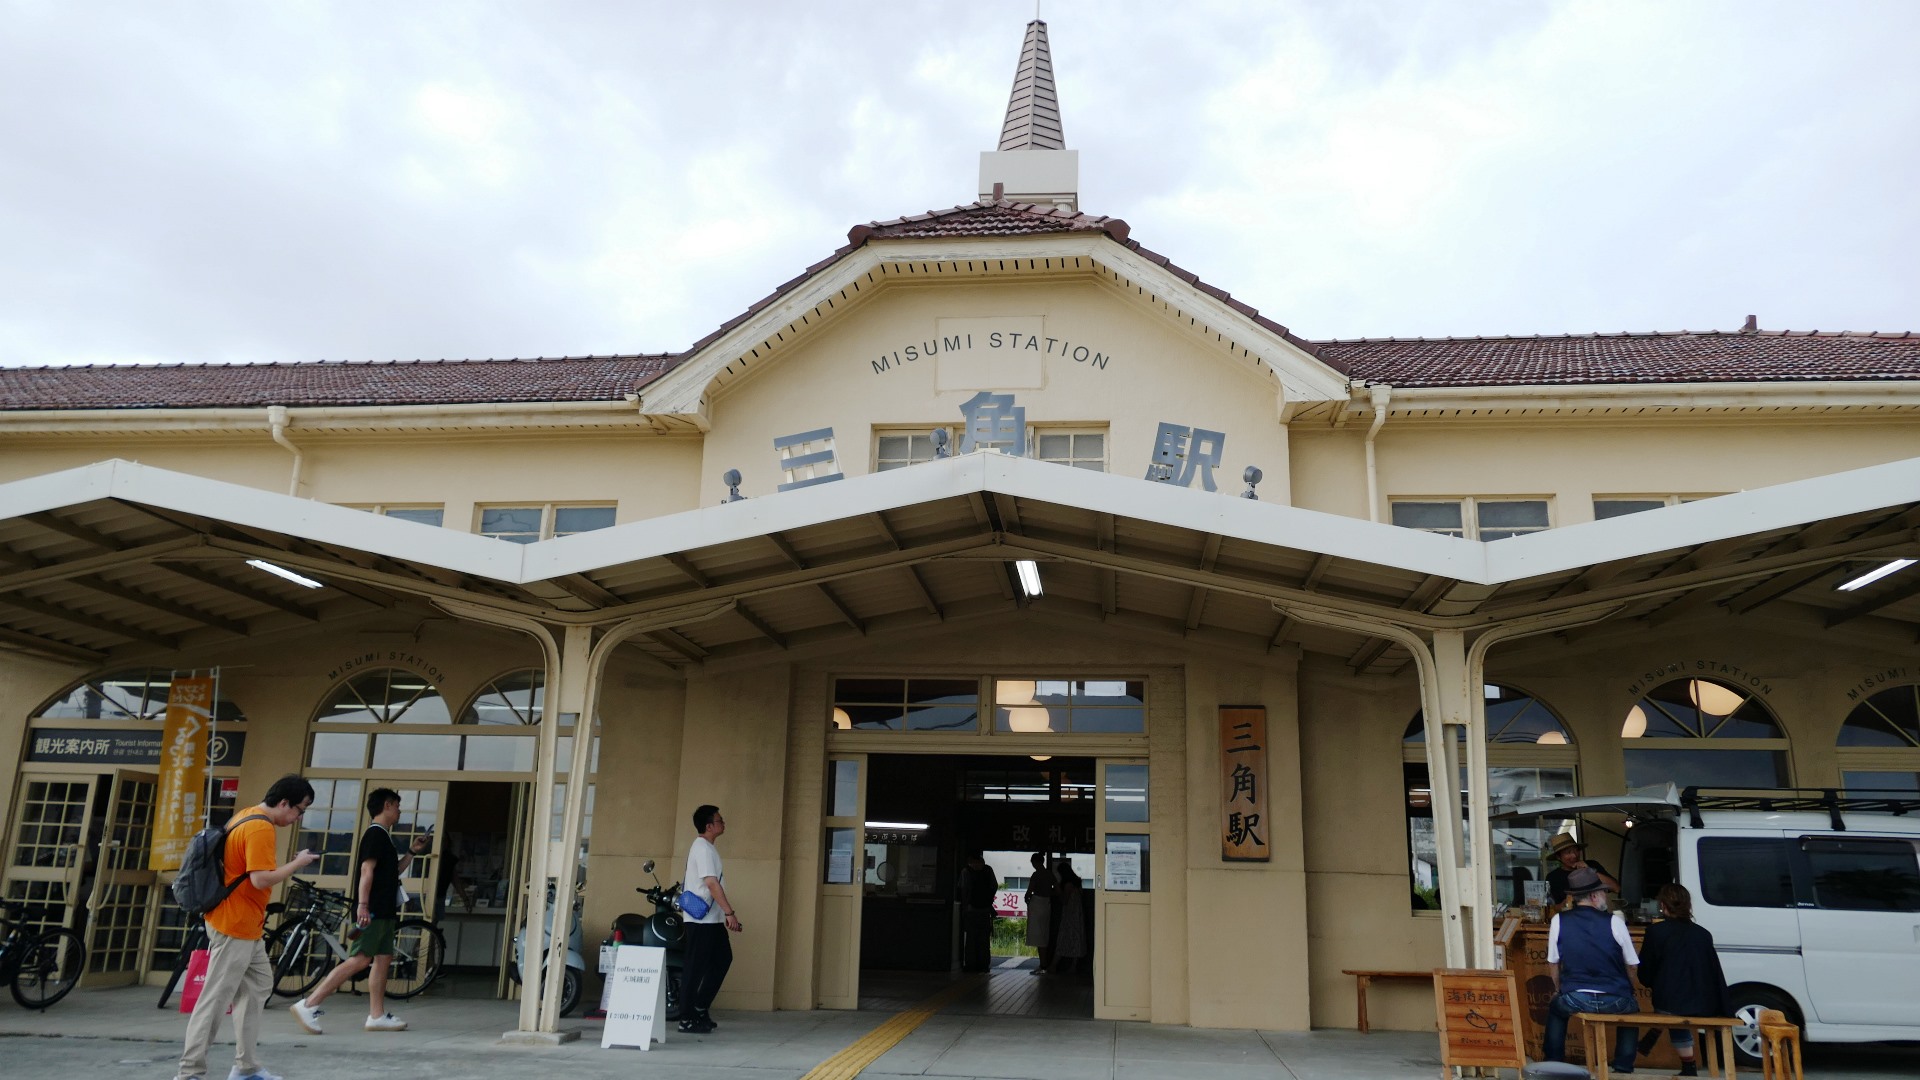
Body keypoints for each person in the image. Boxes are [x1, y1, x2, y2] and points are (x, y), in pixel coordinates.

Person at [174, 774, 318, 1080]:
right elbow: (260, 879)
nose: (298, 818)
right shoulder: (260, 827)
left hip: (244, 926)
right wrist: (298, 863)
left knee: (259, 986)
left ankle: (246, 1066)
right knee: (214, 1000)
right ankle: (190, 1073)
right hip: (235, 925)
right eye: (300, 810)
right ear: (284, 803)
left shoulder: (245, 815)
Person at [289, 787, 432, 1034]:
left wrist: (411, 852)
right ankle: (309, 1004)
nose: (399, 811)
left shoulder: (384, 837)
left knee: (383, 958)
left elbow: (393, 872)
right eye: (397, 806)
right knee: (360, 959)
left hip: (384, 910)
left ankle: (377, 1015)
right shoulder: (375, 834)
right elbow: (367, 871)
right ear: (387, 805)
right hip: (373, 910)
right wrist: (363, 906)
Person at [1543, 866, 1641, 1075]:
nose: (1605, 895)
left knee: (1556, 1008)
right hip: (1615, 997)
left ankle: (1552, 1064)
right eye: (1603, 891)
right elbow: (1632, 964)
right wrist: (1628, 989)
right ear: (1594, 896)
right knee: (1631, 1010)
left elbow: (1553, 963)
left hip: (1575, 996)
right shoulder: (1614, 921)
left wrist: (1559, 990)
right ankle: (1623, 1067)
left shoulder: (1559, 920)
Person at [1636, 884, 1731, 1077]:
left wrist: (1658, 983)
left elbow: (1645, 973)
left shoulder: (1656, 932)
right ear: (1688, 905)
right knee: (1674, 999)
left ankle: (1685, 1062)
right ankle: (1685, 1064)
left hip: (1672, 1002)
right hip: (1706, 1002)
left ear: (1663, 905)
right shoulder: (1703, 934)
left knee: (1671, 1001)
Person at [679, 804, 740, 1035]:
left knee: (722, 959)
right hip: (700, 921)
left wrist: (723, 913)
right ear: (709, 826)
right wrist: (729, 912)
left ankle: (700, 1007)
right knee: (695, 968)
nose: (723, 823)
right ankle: (687, 1018)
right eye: (719, 820)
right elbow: (711, 883)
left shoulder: (709, 848)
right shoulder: (702, 848)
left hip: (711, 920)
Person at [1544, 831, 1620, 905]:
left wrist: (1590, 870)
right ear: (1558, 857)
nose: (1574, 855)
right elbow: (1550, 907)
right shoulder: (1553, 877)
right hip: (1571, 913)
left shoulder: (1592, 865)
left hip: (1597, 913)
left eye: (1576, 850)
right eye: (1568, 852)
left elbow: (1616, 889)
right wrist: (1564, 904)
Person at [958, 851, 998, 973]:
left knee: (971, 938)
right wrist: (988, 900)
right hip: (985, 910)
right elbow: (994, 886)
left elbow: (963, 889)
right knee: (984, 939)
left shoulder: (966, 871)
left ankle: (971, 964)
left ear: (970, 860)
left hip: (971, 909)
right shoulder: (988, 870)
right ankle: (984, 965)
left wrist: (965, 906)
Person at [1051, 861, 1088, 974]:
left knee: (1063, 939)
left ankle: (1053, 965)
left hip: (1069, 915)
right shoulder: (1077, 882)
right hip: (1078, 915)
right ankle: (1073, 966)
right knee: (1077, 939)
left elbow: (1064, 901)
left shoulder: (1067, 885)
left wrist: (1058, 890)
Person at [1023, 852, 1056, 974]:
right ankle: (1043, 964)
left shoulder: (1036, 874)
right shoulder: (1050, 874)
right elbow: (1057, 889)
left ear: (1035, 862)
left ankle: (1043, 965)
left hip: (1036, 904)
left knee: (1038, 937)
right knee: (1044, 935)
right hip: (1047, 904)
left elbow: (1029, 891)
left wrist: (1027, 898)